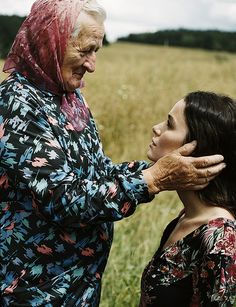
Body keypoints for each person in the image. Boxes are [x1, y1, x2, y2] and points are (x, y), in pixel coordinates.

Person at [0, 0, 225, 305]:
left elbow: (97, 173)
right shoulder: (18, 105)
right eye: (85, 50)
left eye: (97, 51)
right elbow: (63, 200)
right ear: (49, 43)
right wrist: (152, 180)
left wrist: (152, 173)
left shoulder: (68, 97)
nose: (92, 64)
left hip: (76, 289)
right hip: (33, 291)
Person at [139, 91, 236, 307]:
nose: (157, 127)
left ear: (197, 148)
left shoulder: (219, 237)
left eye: (170, 124)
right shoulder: (186, 217)